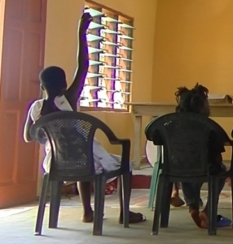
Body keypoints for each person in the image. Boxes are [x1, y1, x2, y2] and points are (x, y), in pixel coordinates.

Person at [21, 12, 146, 225]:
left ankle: (88, 211)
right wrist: (81, 33)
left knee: (79, 158)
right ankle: (124, 213)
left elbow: (28, 136)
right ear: (64, 84)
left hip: (56, 163)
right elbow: (84, 65)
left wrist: (46, 138)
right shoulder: (68, 99)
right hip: (86, 160)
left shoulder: (35, 107)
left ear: (41, 86)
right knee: (123, 163)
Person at [171, 85, 232, 229]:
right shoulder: (209, 127)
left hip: (177, 167)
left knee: (186, 174)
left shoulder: (172, 125)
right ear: (202, 108)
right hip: (206, 168)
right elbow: (217, 151)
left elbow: (156, 138)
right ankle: (208, 211)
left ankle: (193, 207)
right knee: (220, 172)